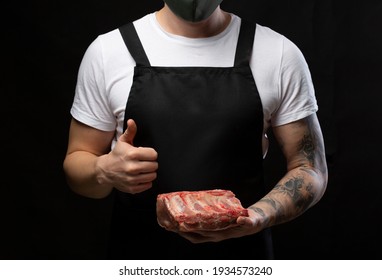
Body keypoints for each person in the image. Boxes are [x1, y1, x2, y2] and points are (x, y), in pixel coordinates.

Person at [63, 0, 328, 260]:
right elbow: (78, 168)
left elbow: (310, 169)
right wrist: (104, 170)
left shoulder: (278, 52)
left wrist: (259, 215)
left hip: (242, 260)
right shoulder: (109, 51)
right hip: (140, 258)